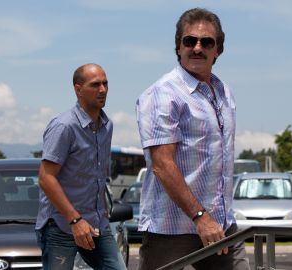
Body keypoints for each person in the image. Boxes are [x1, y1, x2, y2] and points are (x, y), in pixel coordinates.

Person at [136, 8, 250, 270]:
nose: (197, 48)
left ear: (218, 49)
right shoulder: (162, 94)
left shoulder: (224, 93)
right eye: (190, 41)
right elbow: (162, 165)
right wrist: (200, 217)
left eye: (206, 42)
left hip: (221, 225)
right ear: (178, 46)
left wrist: (214, 220)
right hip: (171, 232)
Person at [35, 63, 126, 269]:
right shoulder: (64, 126)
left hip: (96, 225)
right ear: (78, 89)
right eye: (95, 85)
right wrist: (75, 221)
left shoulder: (106, 126)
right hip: (61, 226)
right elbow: (45, 178)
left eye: (105, 84)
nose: (102, 90)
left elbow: (97, 177)